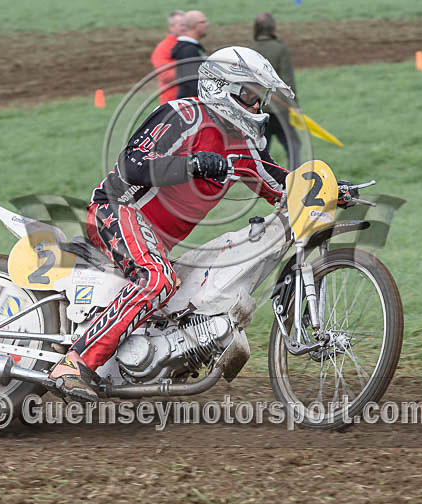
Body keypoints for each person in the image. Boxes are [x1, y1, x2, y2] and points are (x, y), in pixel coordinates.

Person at [48, 47, 298, 401]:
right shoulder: (184, 115)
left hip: (153, 239)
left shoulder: (244, 147)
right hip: (116, 209)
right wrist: (193, 163)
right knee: (158, 279)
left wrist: (330, 190)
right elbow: (132, 164)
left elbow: (281, 186)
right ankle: (74, 364)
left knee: (175, 303)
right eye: (250, 96)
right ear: (222, 87)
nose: (258, 107)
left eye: (261, 98)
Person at [250, 12, 301, 166]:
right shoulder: (280, 49)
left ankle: (264, 181)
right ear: (273, 28)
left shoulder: (250, 50)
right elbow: (287, 81)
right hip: (278, 109)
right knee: (293, 145)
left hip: (256, 108)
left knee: (261, 150)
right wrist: (295, 106)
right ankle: (295, 178)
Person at [171, 10, 209, 99]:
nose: (207, 24)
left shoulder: (192, 48)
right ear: (195, 25)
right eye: (203, 22)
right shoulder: (188, 50)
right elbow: (191, 83)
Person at [150, 10, 185, 105]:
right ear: (171, 27)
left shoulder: (190, 44)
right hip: (172, 103)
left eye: (186, 24)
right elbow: (165, 75)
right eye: (181, 25)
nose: (185, 27)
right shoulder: (163, 48)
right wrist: (191, 69)